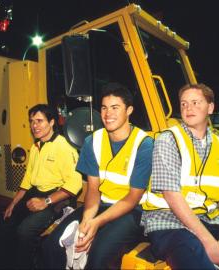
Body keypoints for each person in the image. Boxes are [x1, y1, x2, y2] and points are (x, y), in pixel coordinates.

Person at [42, 82, 154, 269]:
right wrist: (87, 219)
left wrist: (97, 223)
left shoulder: (144, 144)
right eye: (104, 108)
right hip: (100, 205)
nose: (108, 113)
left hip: (133, 212)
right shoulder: (92, 141)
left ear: (129, 110)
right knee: (51, 247)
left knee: (98, 256)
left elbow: (134, 197)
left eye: (115, 108)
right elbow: (93, 189)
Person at [0, 104, 82, 269]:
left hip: (58, 198)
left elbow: (74, 184)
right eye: (32, 121)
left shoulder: (64, 146)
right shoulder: (36, 147)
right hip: (36, 192)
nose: (34, 126)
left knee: (25, 231)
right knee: (5, 225)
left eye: (40, 121)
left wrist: (45, 201)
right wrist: (13, 203)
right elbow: (27, 180)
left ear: (52, 122)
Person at [142, 83, 219, 269]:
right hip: (168, 222)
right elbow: (172, 196)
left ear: (210, 108)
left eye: (195, 102)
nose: (188, 108)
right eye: (184, 104)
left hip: (207, 218)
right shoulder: (168, 139)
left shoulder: (217, 144)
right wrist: (209, 242)